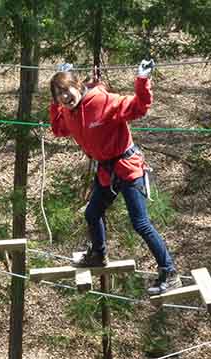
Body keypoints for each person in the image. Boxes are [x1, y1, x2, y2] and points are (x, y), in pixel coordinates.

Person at [48, 60, 181, 295]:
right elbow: (58, 129)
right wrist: (55, 102)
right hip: (107, 172)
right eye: (59, 95)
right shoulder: (69, 113)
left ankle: (169, 272)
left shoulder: (102, 100)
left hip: (127, 167)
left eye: (67, 90)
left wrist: (142, 80)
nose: (65, 97)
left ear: (77, 85)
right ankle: (98, 254)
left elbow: (139, 107)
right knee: (92, 213)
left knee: (140, 224)